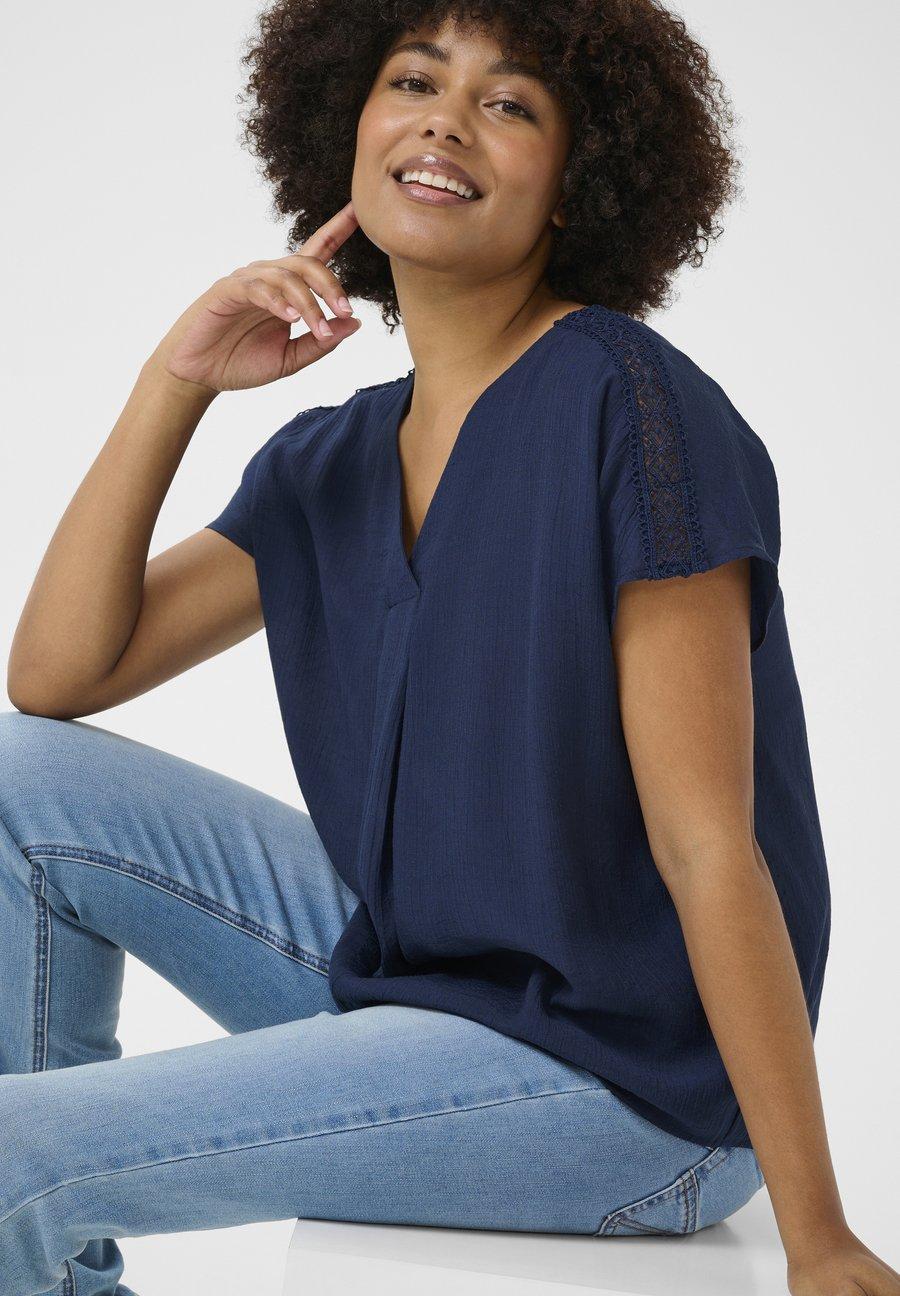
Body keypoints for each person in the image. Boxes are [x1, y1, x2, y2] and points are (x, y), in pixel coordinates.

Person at [1, 3, 897, 1294]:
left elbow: (711, 842)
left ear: (578, 185)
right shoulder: (336, 458)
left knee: (12, 1149)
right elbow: (58, 678)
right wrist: (175, 382)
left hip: (629, 1086)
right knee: (19, 781)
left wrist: (819, 1236)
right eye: (415, 82)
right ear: (346, 128)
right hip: (430, 982)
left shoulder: (632, 411)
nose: (448, 122)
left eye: (510, 103)